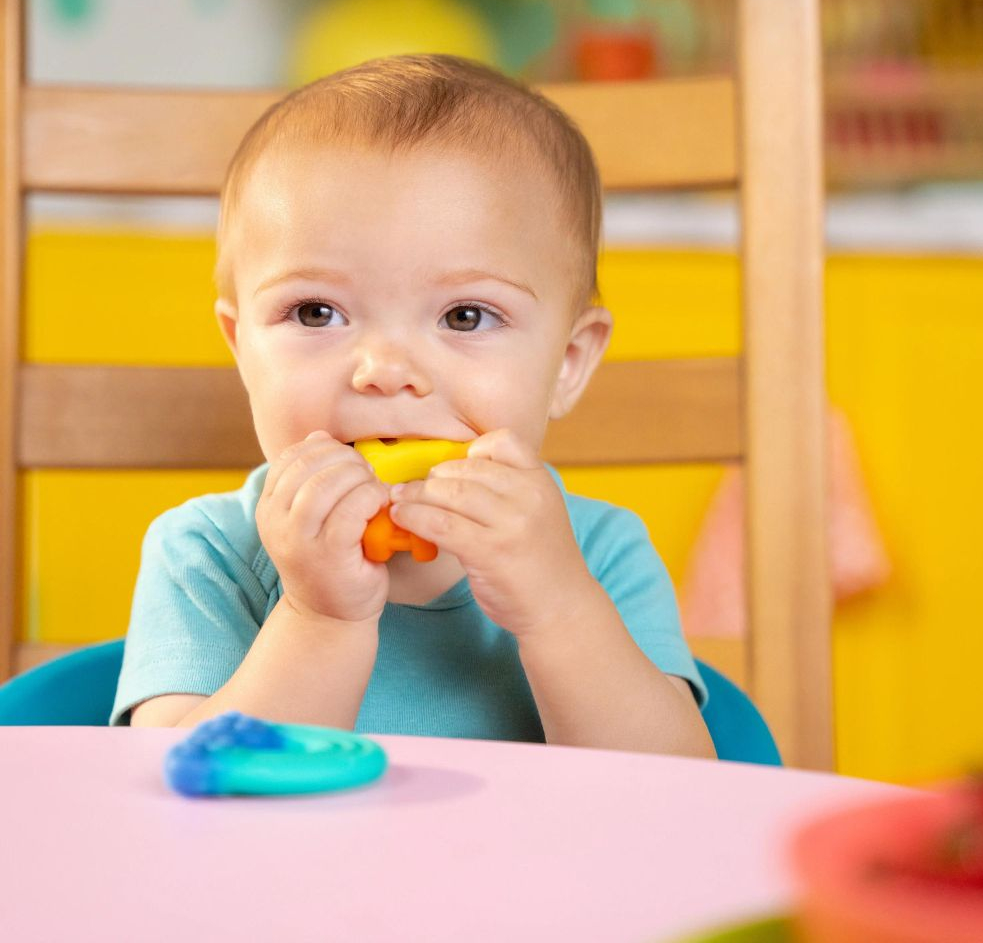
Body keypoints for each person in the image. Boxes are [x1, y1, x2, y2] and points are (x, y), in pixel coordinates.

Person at [112, 54, 715, 758]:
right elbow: (183, 785)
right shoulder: (210, 554)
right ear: (243, 347)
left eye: (465, 316)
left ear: (568, 363)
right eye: (315, 312)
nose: (385, 372)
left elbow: (677, 787)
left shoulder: (598, 554)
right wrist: (318, 618)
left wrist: (558, 610)